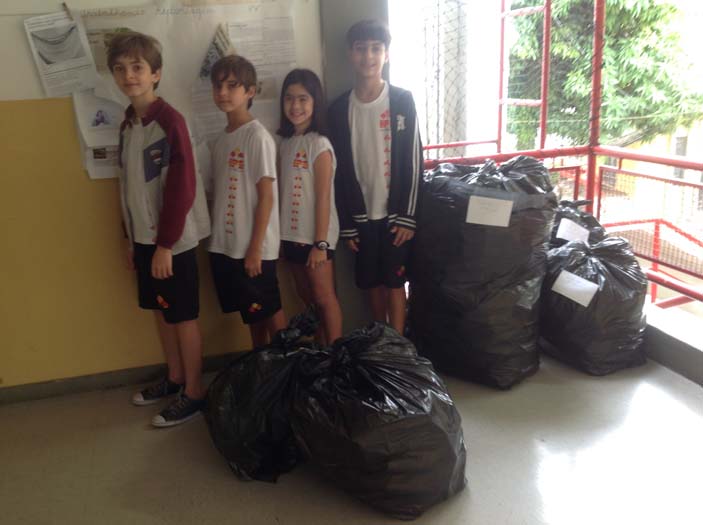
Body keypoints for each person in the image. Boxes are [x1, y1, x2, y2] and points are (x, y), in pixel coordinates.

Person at [108, 32, 210, 427]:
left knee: (182, 315)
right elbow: (127, 187)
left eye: (137, 67)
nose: (129, 75)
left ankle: (195, 392)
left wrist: (166, 244)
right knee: (161, 311)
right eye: (120, 69)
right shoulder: (128, 124)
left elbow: (182, 188)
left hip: (173, 242)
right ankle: (175, 377)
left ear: (156, 74)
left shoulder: (171, 122)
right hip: (144, 240)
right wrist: (129, 239)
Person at [328, 19, 423, 334]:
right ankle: (380, 340)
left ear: (387, 54)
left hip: (395, 216)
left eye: (375, 49)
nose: (368, 56)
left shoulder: (402, 100)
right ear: (350, 54)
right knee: (371, 283)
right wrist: (346, 223)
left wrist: (408, 216)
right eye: (360, 49)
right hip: (361, 217)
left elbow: (414, 161)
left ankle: (398, 344)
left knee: (395, 282)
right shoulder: (339, 109)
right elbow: (337, 173)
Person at [207, 55, 286, 347]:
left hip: (255, 248)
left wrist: (255, 249)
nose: (223, 92)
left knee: (270, 310)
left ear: (250, 91)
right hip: (228, 244)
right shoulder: (221, 139)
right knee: (251, 312)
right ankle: (260, 362)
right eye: (218, 86)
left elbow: (267, 197)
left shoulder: (257, 137)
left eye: (232, 85)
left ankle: (288, 365)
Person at [277, 69, 343, 345]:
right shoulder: (285, 142)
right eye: (289, 98)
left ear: (315, 102)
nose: (295, 106)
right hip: (290, 235)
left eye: (303, 99)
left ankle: (336, 354)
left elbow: (323, 197)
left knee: (324, 298)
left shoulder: (320, 144)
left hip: (316, 238)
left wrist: (320, 244)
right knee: (306, 298)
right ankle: (320, 349)